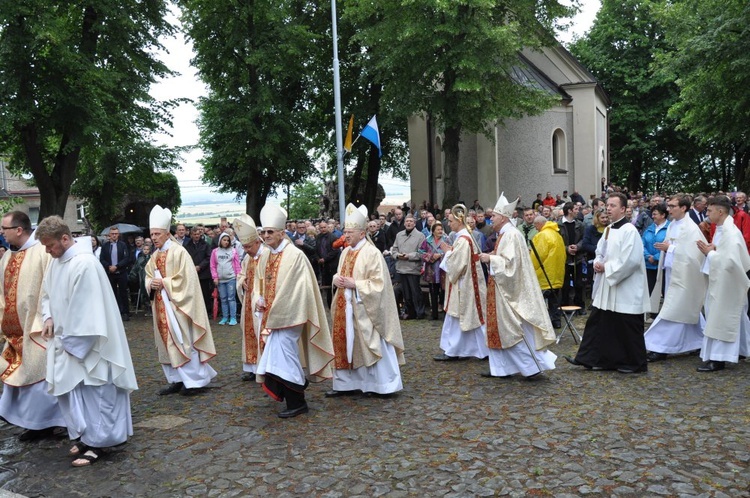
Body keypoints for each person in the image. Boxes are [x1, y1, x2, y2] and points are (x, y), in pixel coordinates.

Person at [37, 216, 137, 467]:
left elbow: (87, 311)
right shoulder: (57, 262)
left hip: (88, 347)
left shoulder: (85, 264)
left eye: (50, 245)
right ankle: (85, 437)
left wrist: (70, 343)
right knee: (75, 395)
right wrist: (48, 317)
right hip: (65, 342)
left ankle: (99, 444)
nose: (47, 251)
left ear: (65, 238)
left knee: (96, 394)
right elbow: (47, 294)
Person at [252, 204, 334, 418]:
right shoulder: (266, 256)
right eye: (264, 232)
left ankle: (298, 400)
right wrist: (258, 299)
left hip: (290, 316)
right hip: (273, 316)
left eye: (271, 232)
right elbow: (259, 284)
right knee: (279, 357)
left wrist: (272, 308)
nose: (266, 236)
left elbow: (295, 290)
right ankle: (295, 395)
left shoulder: (294, 256)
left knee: (284, 356)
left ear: (282, 233)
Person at [565, 193, 650, 373]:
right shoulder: (609, 229)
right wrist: (597, 262)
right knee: (600, 322)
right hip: (608, 285)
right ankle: (592, 358)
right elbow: (600, 251)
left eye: (612, 205)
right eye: (607, 205)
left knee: (627, 325)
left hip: (625, 286)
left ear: (623, 209)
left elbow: (631, 260)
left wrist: (607, 268)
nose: (608, 209)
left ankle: (636, 363)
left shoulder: (630, 230)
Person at [326, 204, 405, 397]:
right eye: (345, 232)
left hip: (365, 308)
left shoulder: (372, 253)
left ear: (362, 234)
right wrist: (336, 279)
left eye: (349, 232)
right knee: (346, 344)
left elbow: (379, 285)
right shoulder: (345, 252)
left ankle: (379, 385)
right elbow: (341, 274)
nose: (346, 236)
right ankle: (346, 384)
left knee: (370, 344)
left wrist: (357, 285)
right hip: (345, 307)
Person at [0, 211, 65, 442]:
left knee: (41, 376)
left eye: (4, 228)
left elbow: (53, 286)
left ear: (19, 229)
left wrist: (48, 317)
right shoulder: (7, 257)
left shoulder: (42, 252)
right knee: (21, 375)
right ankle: (32, 421)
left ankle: (51, 422)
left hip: (37, 327)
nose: (1, 233)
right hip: (14, 329)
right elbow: (3, 293)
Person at [480, 195, 557, 378]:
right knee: (498, 328)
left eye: (495, 216)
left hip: (508, 291)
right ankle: (500, 368)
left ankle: (531, 367)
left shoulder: (511, 235)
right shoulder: (505, 234)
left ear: (504, 218)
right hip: (500, 287)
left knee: (511, 328)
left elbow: (511, 265)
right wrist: (493, 254)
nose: (491, 219)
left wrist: (490, 258)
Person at [145, 205, 217, 396]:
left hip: (179, 306)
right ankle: (176, 379)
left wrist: (165, 283)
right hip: (162, 305)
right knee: (166, 342)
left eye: (157, 234)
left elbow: (187, 279)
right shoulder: (154, 255)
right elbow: (147, 275)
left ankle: (195, 381)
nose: (153, 238)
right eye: (152, 234)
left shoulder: (179, 252)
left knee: (184, 340)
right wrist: (150, 283)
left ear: (167, 233)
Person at [644, 194, 707, 362]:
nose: (669, 209)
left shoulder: (691, 228)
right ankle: (700, 341)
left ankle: (659, 347)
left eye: (673, 206)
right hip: (672, 272)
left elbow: (694, 255)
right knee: (688, 310)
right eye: (669, 206)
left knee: (673, 310)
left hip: (685, 276)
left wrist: (670, 248)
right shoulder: (673, 225)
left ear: (684, 208)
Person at [695, 196, 750, 372]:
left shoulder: (730, 232)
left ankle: (719, 359)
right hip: (720, 281)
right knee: (730, 317)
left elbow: (730, 262)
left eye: (709, 211)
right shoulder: (721, 229)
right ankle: (741, 350)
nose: (707, 214)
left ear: (720, 211)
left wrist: (709, 253)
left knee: (721, 319)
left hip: (727, 283)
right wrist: (713, 250)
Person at [433, 204, 489, 361]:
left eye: (450, 221)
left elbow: (457, 265)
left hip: (465, 285)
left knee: (464, 316)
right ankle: (469, 349)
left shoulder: (464, 239)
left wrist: (446, 253)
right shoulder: (462, 238)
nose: (448, 224)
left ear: (459, 220)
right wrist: (451, 252)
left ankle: (456, 351)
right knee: (468, 317)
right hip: (465, 283)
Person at [234, 214, 264, 382]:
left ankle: (263, 366)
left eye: (248, 246)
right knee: (249, 331)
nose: (245, 250)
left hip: (260, 302)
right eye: (243, 247)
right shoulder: (247, 257)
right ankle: (252, 367)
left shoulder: (266, 254)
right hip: (248, 301)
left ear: (257, 242)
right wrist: (242, 281)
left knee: (260, 331)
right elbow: (241, 274)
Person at [530, 216, 566, 328]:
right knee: (554, 301)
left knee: (539, 301)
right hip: (557, 274)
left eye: (536, 225)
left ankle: (540, 325)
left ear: (540, 224)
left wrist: (530, 268)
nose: (535, 228)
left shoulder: (542, 235)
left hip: (544, 275)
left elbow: (537, 256)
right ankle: (556, 322)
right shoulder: (557, 235)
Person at [391, 214, 426, 320]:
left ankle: (420, 312)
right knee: (406, 294)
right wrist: (397, 255)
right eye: (407, 221)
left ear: (414, 223)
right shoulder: (399, 235)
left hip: (413, 268)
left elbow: (422, 253)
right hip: (401, 267)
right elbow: (394, 249)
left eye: (411, 221)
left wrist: (409, 256)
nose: (409, 223)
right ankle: (410, 312)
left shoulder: (420, 236)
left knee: (415, 292)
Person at [99, 226, 132, 321]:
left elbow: (126, 258)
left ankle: (125, 312)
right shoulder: (105, 246)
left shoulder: (123, 245)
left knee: (123, 293)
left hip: (121, 272)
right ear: (109, 235)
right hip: (110, 273)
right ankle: (114, 312)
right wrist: (109, 266)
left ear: (118, 235)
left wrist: (117, 266)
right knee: (112, 293)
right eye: (112, 234)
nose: (114, 235)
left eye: (116, 234)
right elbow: (102, 259)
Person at [211, 232, 241, 326]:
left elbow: (237, 265)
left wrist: (238, 276)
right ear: (220, 240)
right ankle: (225, 317)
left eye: (228, 240)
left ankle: (233, 317)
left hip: (231, 278)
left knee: (231, 298)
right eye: (224, 240)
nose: (226, 242)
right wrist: (215, 277)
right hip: (220, 279)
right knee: (223, 299)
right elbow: (213, 265)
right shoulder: (215, 251)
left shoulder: (233, 251)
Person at [184, 226, 213, 315]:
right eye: (194, 234)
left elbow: (208, 257)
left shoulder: (205, 244)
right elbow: (185, 258)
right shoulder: (186, 246)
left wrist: (200, 266)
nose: (196, 236)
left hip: (203, 273)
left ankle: (206, 311)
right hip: (192, 272)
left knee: (204, 293)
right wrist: (192, 267)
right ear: (191, 235)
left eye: (198, 234)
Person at [641, 203, 670, 296]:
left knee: (666, 293)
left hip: (664, 266)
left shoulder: (670, 228)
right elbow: (642, 244)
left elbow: (669, 245)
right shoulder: (649, 228)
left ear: (663, 215)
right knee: (647, 292)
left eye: (655, 214)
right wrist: (648, 256)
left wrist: (656, 257)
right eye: (652, 214)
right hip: (649, 266)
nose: (652, 216)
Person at [315, 220, 341, 308]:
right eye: (321, 228)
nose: (323, 229)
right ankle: (328, 304)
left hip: (331, 265)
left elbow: (335, 250)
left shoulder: (333, 237)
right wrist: (318, 259)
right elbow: (316, 249)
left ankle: (333, 304)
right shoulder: (318, 237)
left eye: (324, 227)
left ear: (327, 227)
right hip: (322, 265)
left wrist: (325, 259)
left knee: (332, 285)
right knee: (325, 285)